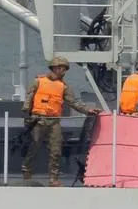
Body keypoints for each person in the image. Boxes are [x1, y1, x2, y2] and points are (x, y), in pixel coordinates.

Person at [21, 56, 97, 186]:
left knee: (56, 150)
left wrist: (88, 111)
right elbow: (28, 100)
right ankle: (26, 171)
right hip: (38, 120)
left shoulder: (64, 87)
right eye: (62, 68)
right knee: (34, 146)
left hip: (54, 121)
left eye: (65, 69)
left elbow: (73, 102)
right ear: (55, 68)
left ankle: (53, 178)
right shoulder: (38, 81)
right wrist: (28, 116)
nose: (64, 71)